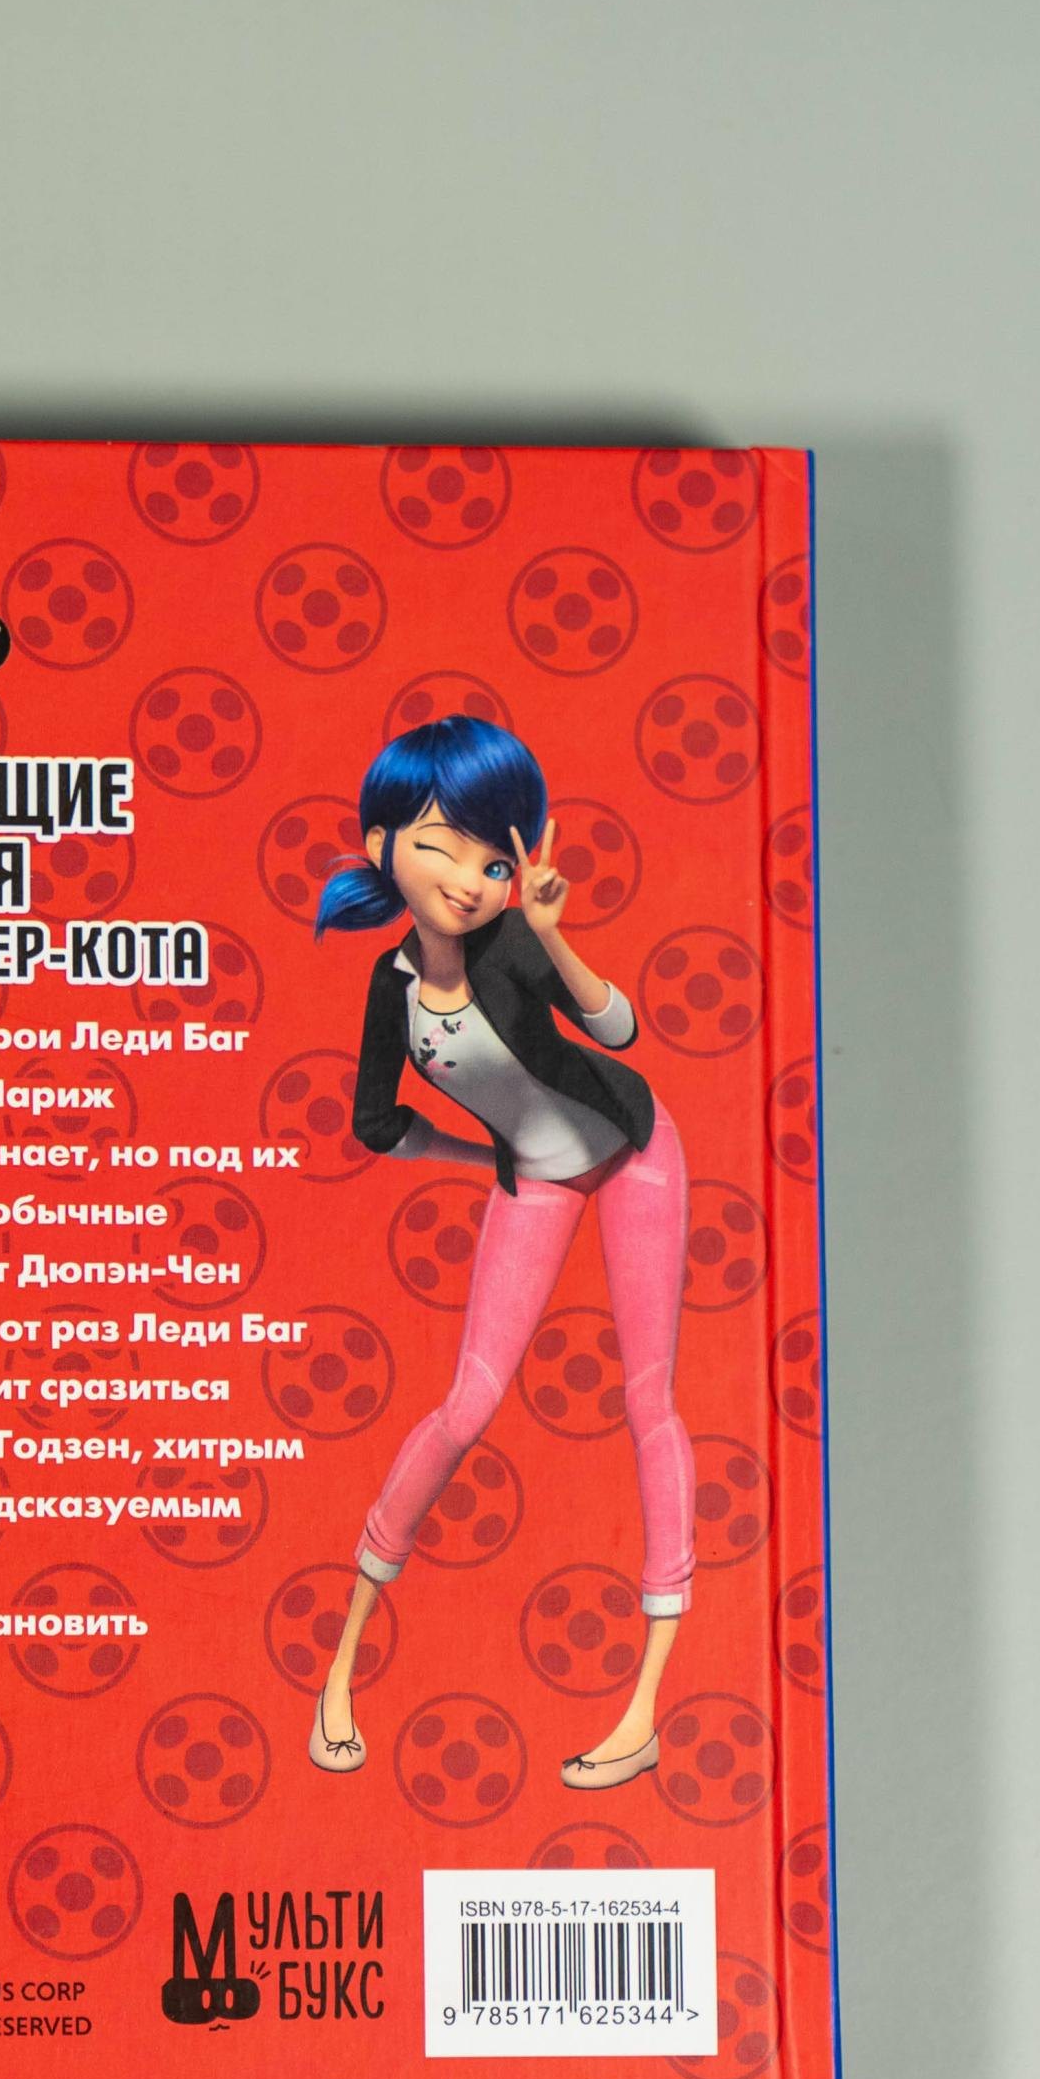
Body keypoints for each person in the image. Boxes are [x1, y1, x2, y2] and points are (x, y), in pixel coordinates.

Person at [308, 714, 694, 1787]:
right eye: (442, 845)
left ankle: (643, 1708)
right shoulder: (389, 991)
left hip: (633, 1149)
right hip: (533, 1177)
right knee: (464, 1406)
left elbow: (615, 1032)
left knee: (647, 1400)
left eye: (493, 858)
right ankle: (340, 1669)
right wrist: (477, 1154)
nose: (470, 879)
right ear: (382, 844)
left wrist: (553, 931)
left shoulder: (516, 940)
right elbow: (377, 1126)